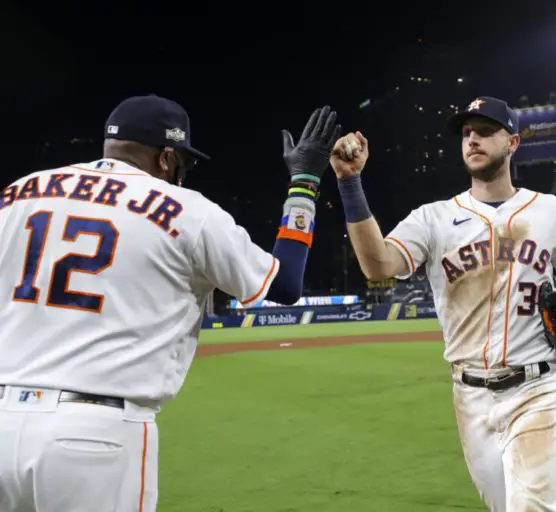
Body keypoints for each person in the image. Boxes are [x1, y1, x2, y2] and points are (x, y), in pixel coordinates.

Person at [0, 95, 340, 511]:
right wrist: (305, 180)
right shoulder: (187, 211)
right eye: (184, 162)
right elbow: (285, 284)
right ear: (165, 157)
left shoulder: (20, 192)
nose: (183, 172)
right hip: (96, 434)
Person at [330, 96, 556, 511]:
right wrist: (349, 183)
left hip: (537, 387)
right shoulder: (433, 218)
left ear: (512, 142)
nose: (472, 138)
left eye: (485, 130)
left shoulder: (551, 212)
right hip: (469, 393)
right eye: (466, 132)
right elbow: (377, 265)